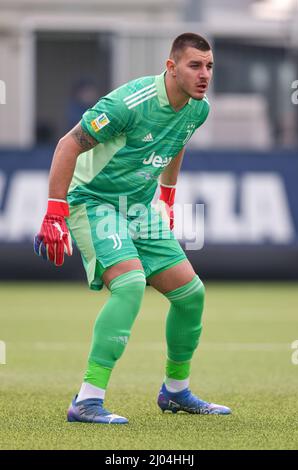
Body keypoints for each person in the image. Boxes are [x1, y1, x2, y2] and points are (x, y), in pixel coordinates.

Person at [34, 32, 231, 424]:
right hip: (92, 201)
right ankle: (87, 399)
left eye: (209, 66)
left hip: (138, 207)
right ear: (171, 67)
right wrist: (54, 212)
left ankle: (175, 392)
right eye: (195, 65)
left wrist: (168, 199)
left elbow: (177, 143)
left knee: (191, 295)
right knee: (130, 284)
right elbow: (67, 145)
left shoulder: (198, 108)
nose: (204, 74)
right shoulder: (129, 103)